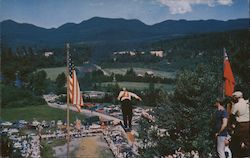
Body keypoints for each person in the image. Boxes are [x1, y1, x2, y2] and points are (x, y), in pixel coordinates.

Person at [231, 91, 249, 157]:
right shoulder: (247, 103)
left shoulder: (236, 105)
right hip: (248, 124)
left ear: (236, 97)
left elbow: (232, 115)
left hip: (240, 125)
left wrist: (232, 125)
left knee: (236, 141)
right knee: (247, 140)